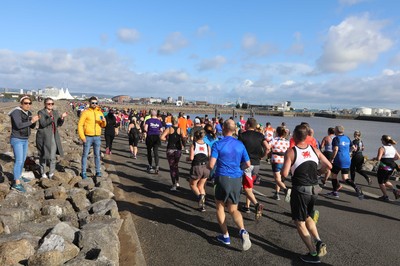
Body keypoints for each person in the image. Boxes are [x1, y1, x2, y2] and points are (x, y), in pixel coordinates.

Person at [281, 124, 332, 264]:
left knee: (299, 221)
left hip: (301, 190)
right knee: (308, 215)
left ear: (294, 137)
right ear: (307, 136)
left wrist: (282, 173)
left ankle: (313, 253)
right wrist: (319, 172)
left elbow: (284, 173)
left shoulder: (291, 151)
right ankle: (318, 241)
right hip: (315, 189)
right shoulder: (315, 149)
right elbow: (329, 166)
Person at [209, 119, 252, 251]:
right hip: (236, 178)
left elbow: (211, 165)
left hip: (222, 177)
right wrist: (239, 168)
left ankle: (226, 236)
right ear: (234, 130)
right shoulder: (240, 145)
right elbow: (248, 164)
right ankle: (243, 231)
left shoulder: (218, 144)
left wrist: (208, 167)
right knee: (233, 209)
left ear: (223, 128)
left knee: (220, 206)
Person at [238, 118, 269, 219]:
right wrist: (263, 156)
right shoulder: (260, 135)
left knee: (246, 188)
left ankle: (256, 204)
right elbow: (268, 147)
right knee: (250, 186)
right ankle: (247, 206)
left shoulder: (242, 135)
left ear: (247, 124)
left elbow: (237, 149)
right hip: (257, 164)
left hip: (246, 164)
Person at [9, 96, 40, 192]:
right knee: (18, 160)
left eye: (30, 103)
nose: (28, 105)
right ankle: (16, 183)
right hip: (17, 139)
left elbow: (31, 126)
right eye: (25, 103)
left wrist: (35, 120)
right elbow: (18, 125)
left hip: (25, 139)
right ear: (21, 104)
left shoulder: (28, 113)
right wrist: (31, 121)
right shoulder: (16, 112)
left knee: (22, 160)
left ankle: (19, 176)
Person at [326, 126, 364, 199]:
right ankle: (356, 186)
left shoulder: (336, 139)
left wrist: (332, 158)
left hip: (338, 159)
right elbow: (353, 148)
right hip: (347, 159)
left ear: (336, 131)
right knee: (345, 178)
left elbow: (336, 149)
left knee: (334, 175)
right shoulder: (347, 138)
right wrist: (347, 152)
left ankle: (335, 192)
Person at [36, 97, 68, 179]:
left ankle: (51, 173)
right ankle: (43, 173)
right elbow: (42, 124)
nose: (50, 105)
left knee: (52, 156)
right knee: (43, 154)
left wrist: (62, 118)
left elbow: (58, 124)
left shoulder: (55, 112)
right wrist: (51, 118)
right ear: (45, 104)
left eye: (52, 104)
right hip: (43, 136)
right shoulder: (41, 112)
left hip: (53, 135)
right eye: (49, 104)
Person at [78, 96, 106, 179]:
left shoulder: (99, 112)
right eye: (93, 103)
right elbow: (80, 125)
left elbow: (103, 125)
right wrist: (82, 137)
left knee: (97, 155)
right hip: (88, 136)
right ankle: (83, 172)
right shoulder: (85, 112)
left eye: (96, 103)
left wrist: (104, 122)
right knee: (85, 155)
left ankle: (98, 171)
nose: (94, 104)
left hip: (97, 137)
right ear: (89, 103)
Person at [189, 129, 211, 211]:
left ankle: (199, 197)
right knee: (201, 186)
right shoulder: (207, 145)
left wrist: (187, 159)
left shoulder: (194, 145)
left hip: (197, 166)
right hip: (206, 167)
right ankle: (202, 205)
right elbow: (209, 156)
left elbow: (191, 158)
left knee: (192, 184)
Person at [374, 135, 400, 201]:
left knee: (381, 182)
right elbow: (398, 157)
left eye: (381, 139)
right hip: (392, 166)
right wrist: (391, 160)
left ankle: (385, 196)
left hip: (384, 166)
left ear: (383, 140)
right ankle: (395, 191)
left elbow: (379, 158)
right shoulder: (392, 147)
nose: (381, 140)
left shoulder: (382, 148)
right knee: (385, 181)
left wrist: (374, 158)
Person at [160, 116, 183, 190]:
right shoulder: (180, 130)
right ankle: (177, 182)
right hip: (178, 149)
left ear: (172, 122)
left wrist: (166, 140)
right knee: (176, 166)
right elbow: (184, 138)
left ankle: (174, 185)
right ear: (178, 122)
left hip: (170, 149)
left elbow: (162, 137)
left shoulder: (169, 129)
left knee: (172, 167)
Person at [270, 126, 290, 200]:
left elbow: (268, 147)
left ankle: (285, 189)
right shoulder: (287, 141)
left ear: (277, 132)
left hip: (276, 161)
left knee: (277, 179)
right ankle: (277, 193)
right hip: (284, 161)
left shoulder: (273, 140)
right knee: (280, 179)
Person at [144, 110, 163, 174]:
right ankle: (157, 166)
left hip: (150, 136)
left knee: (149, 151)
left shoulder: (148, 120)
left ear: (150, 114)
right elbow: (161, 129)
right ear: (156, 114)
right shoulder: (159, 121)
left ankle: (150, 166)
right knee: (156, 152)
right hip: (156, 137)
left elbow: (145, 129)